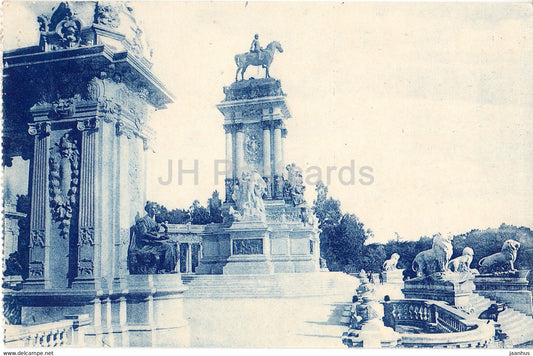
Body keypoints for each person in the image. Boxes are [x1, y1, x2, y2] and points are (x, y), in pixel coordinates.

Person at [130, 201, 178, 273]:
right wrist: (157, 238)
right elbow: (144, 234)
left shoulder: (154, 222)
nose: (155, 210)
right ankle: (166, 269)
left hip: (153, 243)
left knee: (173, 245)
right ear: (148, 209)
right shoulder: (142, 221)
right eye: (153, 208)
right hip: (146, 245)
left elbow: (156, 234)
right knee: (168, 246)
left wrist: (165, 231)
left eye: (156, 208)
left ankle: (169, 268)